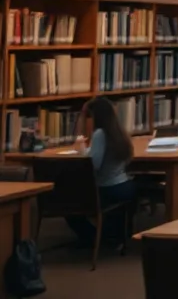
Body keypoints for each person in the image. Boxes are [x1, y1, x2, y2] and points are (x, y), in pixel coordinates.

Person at [66, 97, 136, 244]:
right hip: (124, 185)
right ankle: (112, 235)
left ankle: (93, 238)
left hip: (107, 188)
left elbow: (93, 164)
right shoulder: (118, 132)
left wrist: (82, 150)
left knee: (69, 202)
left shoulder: (100, 134)